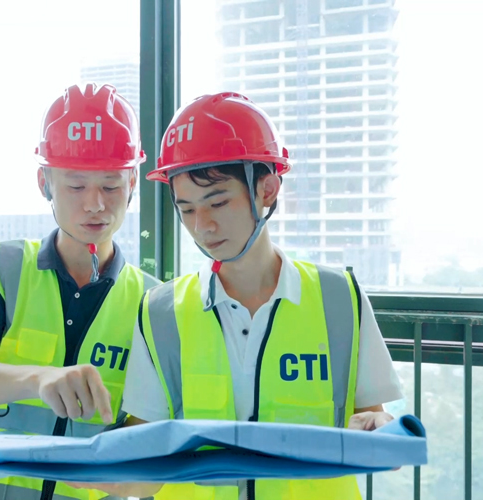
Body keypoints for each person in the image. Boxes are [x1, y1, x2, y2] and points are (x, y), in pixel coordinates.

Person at [71, 91, 403, 500]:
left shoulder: (338, 299)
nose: (202, 226)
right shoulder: (161, 313)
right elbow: (148, 466)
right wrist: (101, 470)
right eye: (187, 209)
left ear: (267, 189)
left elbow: (373, 421)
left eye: (218, 202)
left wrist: (382, 435)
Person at [0, 83, 159, 500]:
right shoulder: (6, 267)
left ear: (133, 182)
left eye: (111, 186)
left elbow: (145, 440)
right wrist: (38, 379)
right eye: (76, 186)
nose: (95, 204)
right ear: (45, 182)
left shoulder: (152, 303)